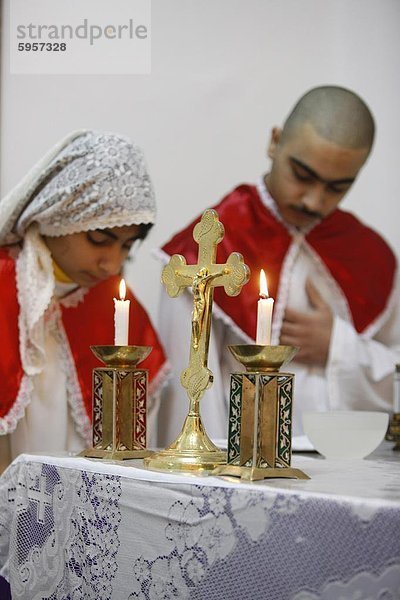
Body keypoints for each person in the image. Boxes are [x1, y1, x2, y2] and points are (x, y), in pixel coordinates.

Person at [156, 85, 400, 448]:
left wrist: (337, 346)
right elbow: (190, 388)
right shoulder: (207, 250)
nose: (314, 201)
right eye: (302, 175)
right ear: (275, 142)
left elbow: (394, 378)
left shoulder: (372, 255)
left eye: (337, 187)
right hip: (243, 466)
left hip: (354, 465)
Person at [0, 130, 170, 471]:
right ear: (57, 216)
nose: (112, 264)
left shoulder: (114, 300)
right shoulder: (7, 282)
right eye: (98, 239)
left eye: (126, 246)